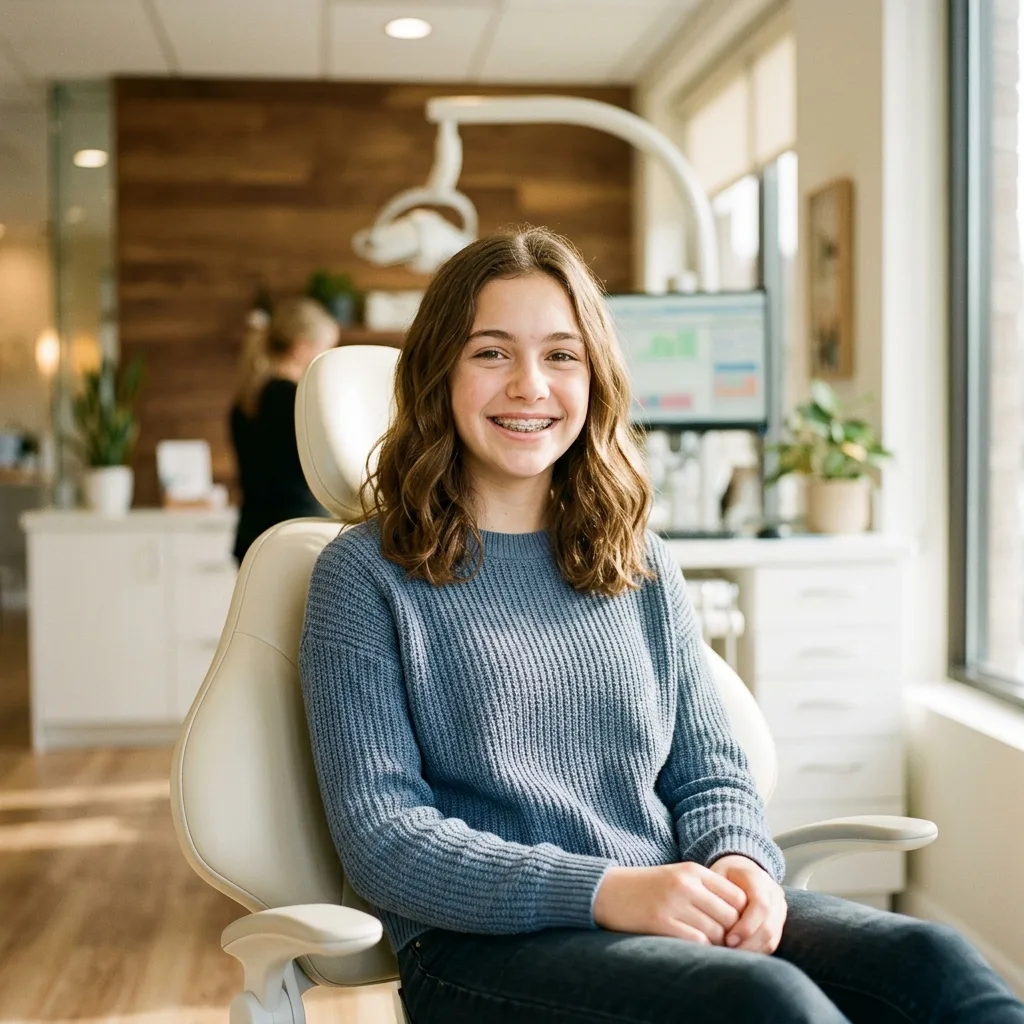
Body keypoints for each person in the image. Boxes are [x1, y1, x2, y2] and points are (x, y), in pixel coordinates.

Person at [298, 227, 1024, 1024]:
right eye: (492, 353)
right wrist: (609, 891)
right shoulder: (362, 575)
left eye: (561, 355)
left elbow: (709, 768)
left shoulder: (633, 556)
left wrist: (742, 860)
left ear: (595, 376)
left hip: (668, 894)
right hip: (478, 947)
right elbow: (384, 836)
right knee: (763, 1004)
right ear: (438, 372)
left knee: (935, 962)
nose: (530, 385)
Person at [229, 296, 339, 563]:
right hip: (296, 538)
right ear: (301, 348)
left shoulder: (246, 400)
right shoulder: (296, 400)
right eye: (325, 349)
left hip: (253, 536)